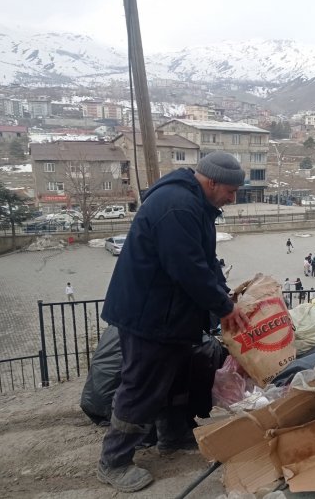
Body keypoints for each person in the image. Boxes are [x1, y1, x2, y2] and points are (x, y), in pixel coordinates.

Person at [96, 151, 250, 493]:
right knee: (141, 385)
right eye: (230, 190)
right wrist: (223, 308)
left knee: (177, 377)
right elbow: (187, 268)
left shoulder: (196, 204)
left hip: (172, 315)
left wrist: (225, 295)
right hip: (149, 314)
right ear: (211, 182)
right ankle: (114, 460)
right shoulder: (178, 206)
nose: (232, 198)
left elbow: (205, 260)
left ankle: (174, 434)